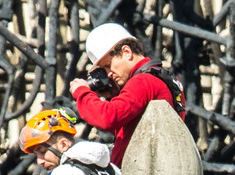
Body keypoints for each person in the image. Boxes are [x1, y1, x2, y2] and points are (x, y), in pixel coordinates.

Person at [69, 23, 185, 166]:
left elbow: (108, 117)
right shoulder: (161, 78)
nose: (109, 74)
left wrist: (82, 92)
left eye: (108, 65)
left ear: (126, 52)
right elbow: (133, 127)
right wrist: (112, 97)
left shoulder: (142, 81)